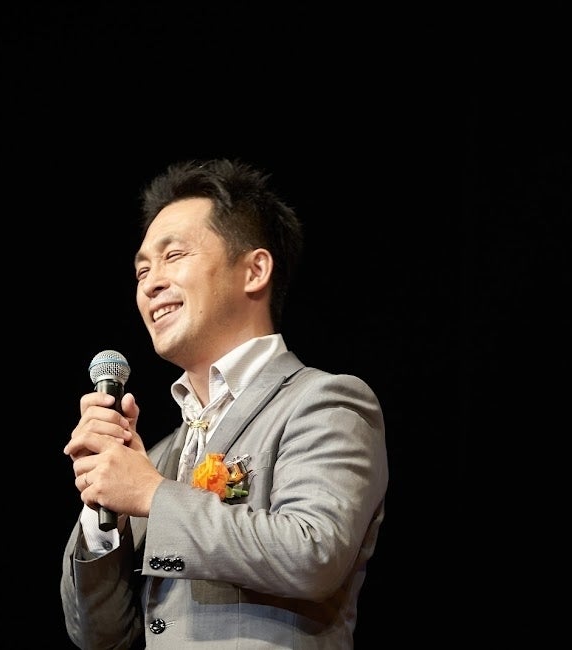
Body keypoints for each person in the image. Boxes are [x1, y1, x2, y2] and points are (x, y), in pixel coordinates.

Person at [61, 158, 389, 649]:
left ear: (254, 270)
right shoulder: (156, 456)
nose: (150, 283)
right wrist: (104, 506)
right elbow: (97, 634)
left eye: (174, 256)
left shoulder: (324, 401)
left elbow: (314, 551)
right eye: (142, 269)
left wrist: (151, 495)